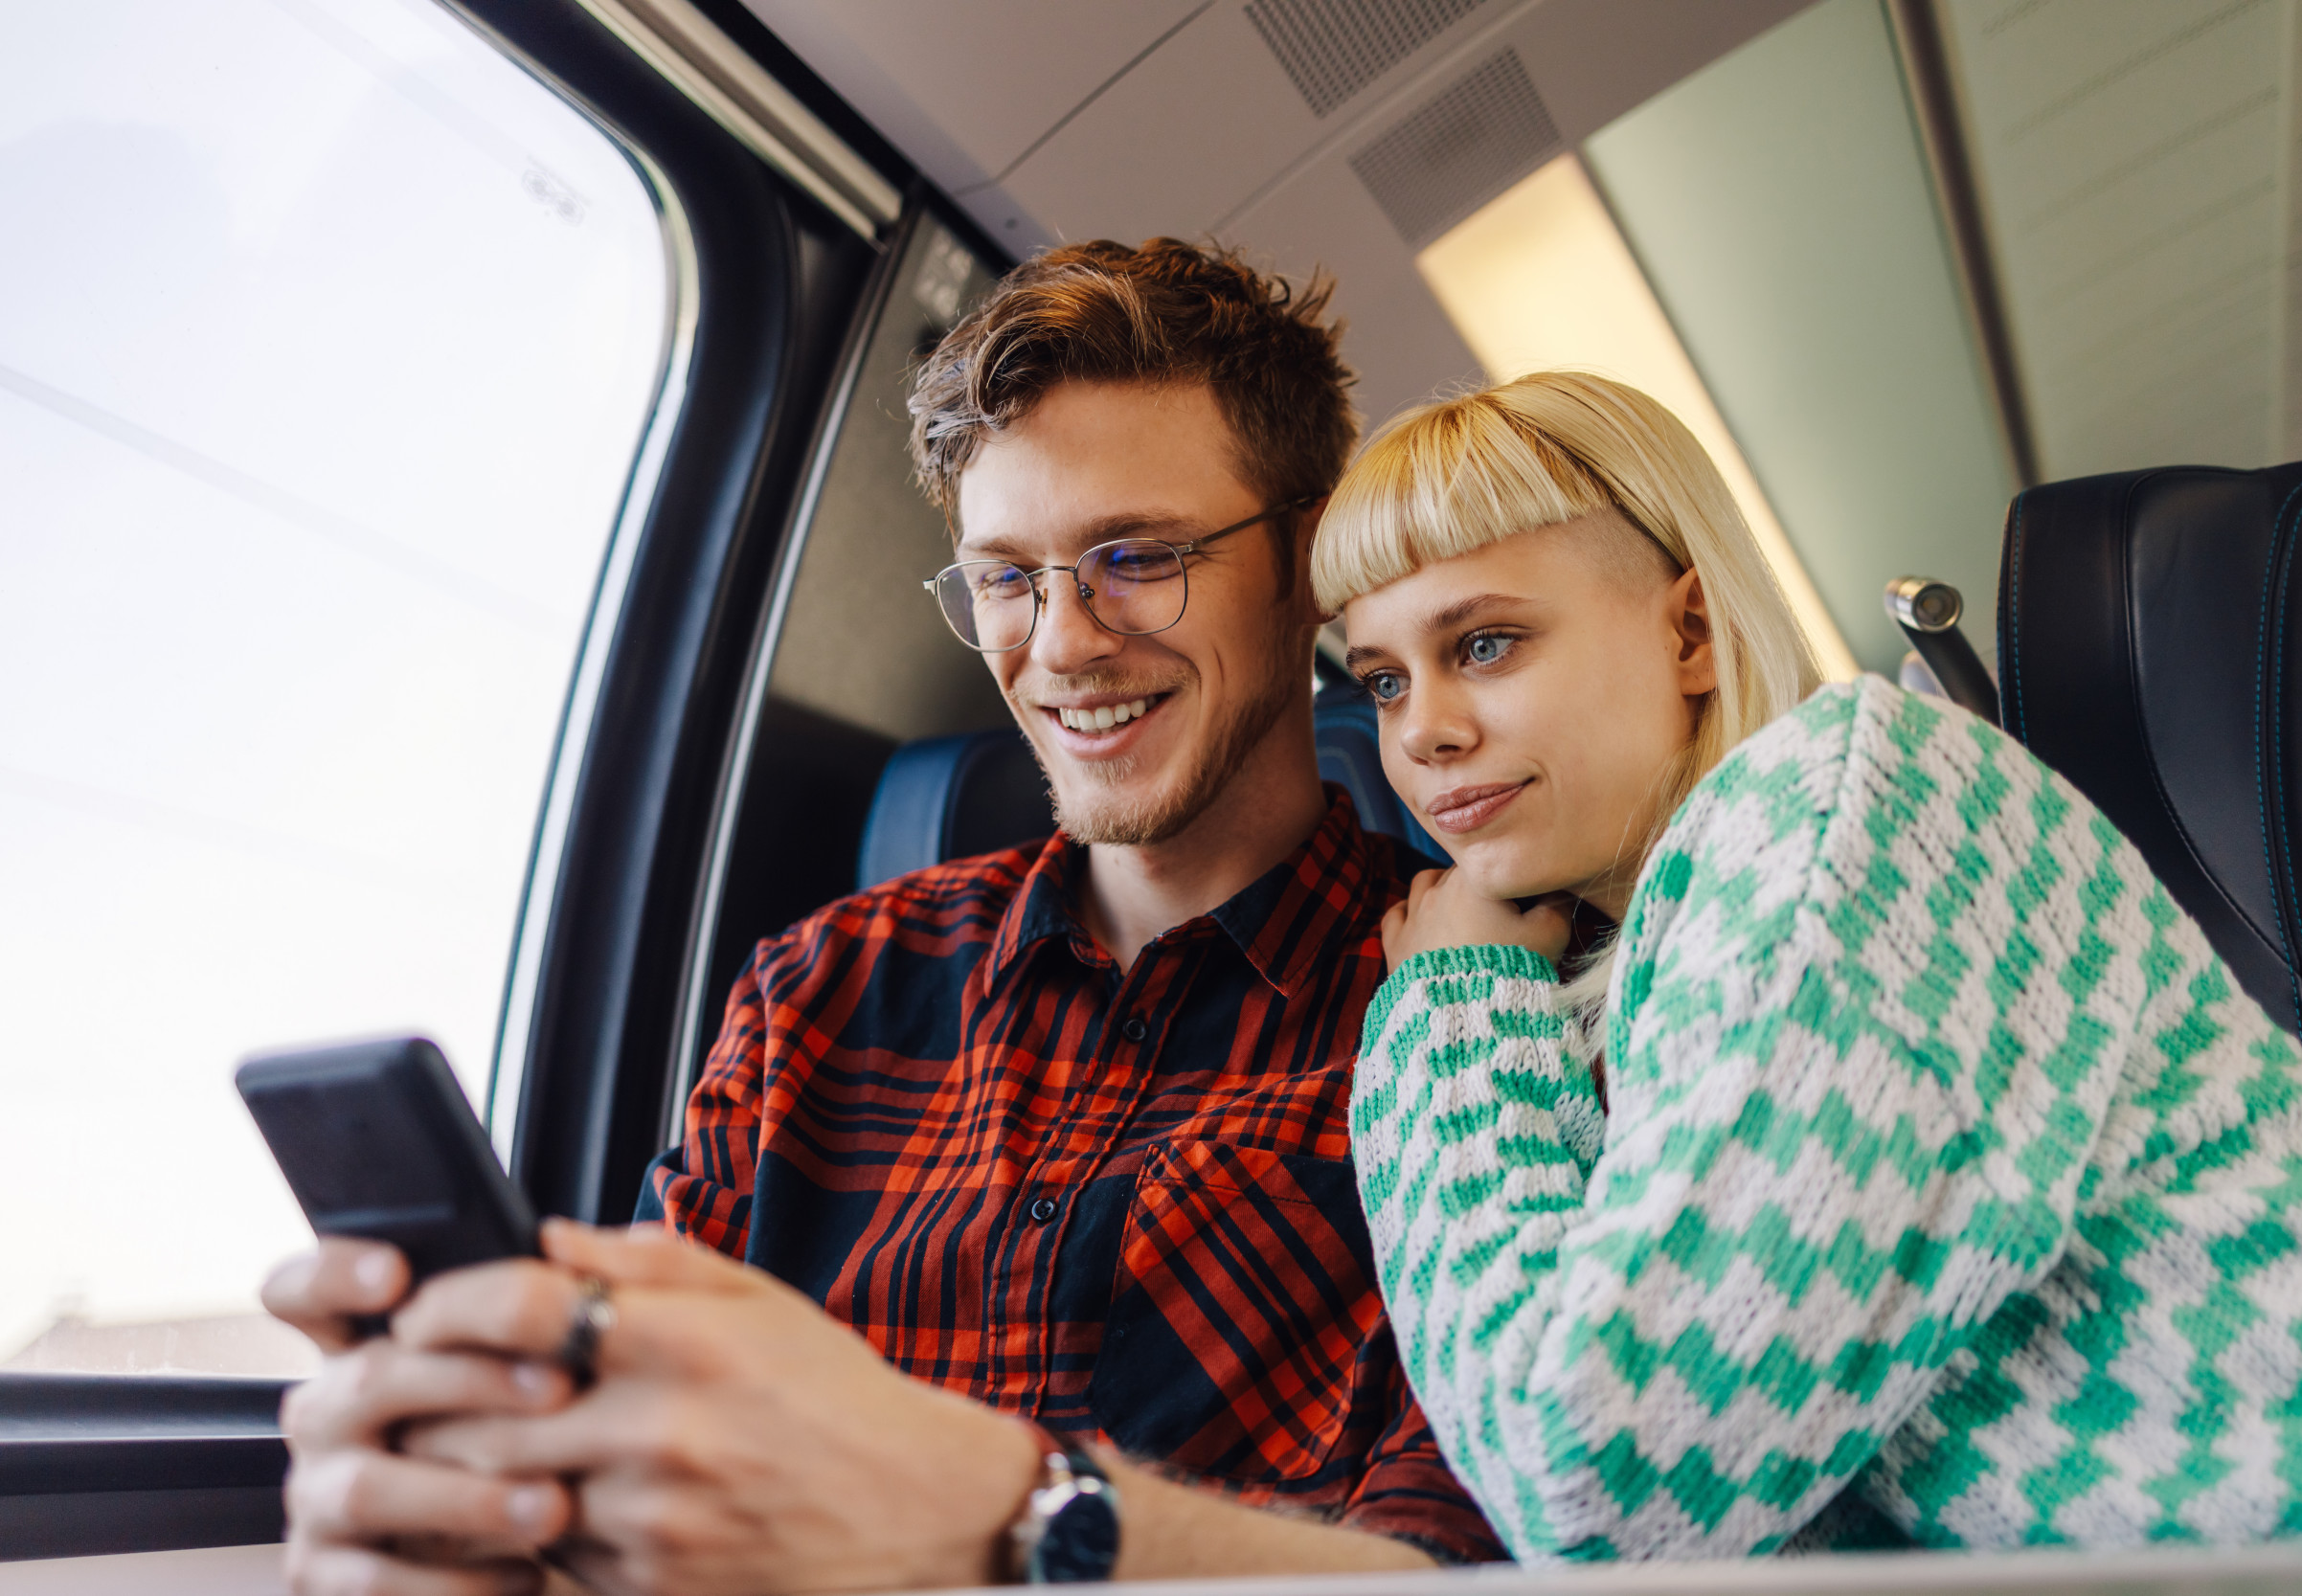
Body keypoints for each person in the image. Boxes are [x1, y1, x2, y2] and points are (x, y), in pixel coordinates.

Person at [261, 238, 1504, 1596]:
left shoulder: (1475, 1013)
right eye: (1006, 577)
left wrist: (1002, 1513)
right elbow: (635, 1471)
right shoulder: (818, 990)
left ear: (1310, 558)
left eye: (1136, 556)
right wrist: (501, 1522)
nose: (1064, 642)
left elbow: (1461, 1562)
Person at [1316, 368, 2302, 1562]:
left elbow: (1595, 1492)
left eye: (1484, 641)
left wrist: (1453, 1019)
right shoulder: (1643, 966)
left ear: (1687, 630)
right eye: (1382, 680)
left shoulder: (1848, 809)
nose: (1421, 731)